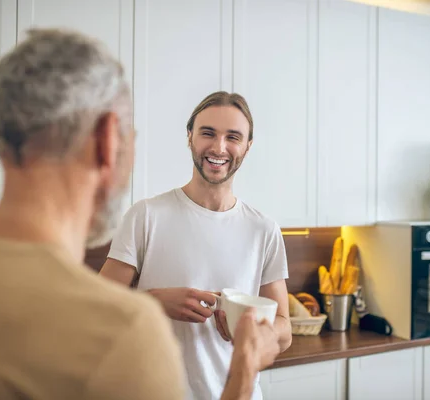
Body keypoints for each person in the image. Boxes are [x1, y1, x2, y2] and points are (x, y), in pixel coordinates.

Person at [0, 28, 280, 400]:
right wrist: (246, 367)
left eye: (233, 136)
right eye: (129, 136)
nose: (219, 146)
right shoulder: (124, 331)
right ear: (108, 140)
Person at [99, 91, 292, 400]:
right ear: (190, 136)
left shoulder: (264, 229)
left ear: (248, 146)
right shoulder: (146, 216)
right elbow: (96, 309)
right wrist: (152, 303)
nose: (219, 147)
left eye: (233, 137)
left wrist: (253, 335)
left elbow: (284, 329)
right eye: (208, 133)